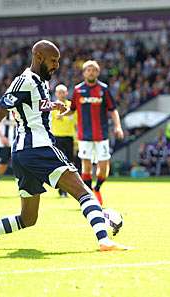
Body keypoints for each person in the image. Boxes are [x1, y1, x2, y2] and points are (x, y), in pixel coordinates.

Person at [0, 40, 127, 252]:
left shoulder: (41, 82)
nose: (56, 65)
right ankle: (104, 240)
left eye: (58, 61)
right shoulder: (24, 80)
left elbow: (30, 104)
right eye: (53, 61)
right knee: (84, 192)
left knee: (27, 218)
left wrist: (50, 105)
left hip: (22, 155)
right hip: (39, 148)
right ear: (38, 57)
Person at [61, 60, 124, 205]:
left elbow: (113, 110)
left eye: (94, 70)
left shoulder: (104, 89)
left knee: (103, 168)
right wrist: (62, 113)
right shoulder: (78, 90)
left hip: (101, 135)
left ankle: (98, 187)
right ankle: (89, 196)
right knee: (86, 166)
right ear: (84, 73)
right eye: (88, 70)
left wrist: (118, 126)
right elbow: (72, 109)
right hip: (84, 136)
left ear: (98, 72)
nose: (91, 72)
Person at [51, 84, 77, 197]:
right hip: (57, 138)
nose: (61, 94)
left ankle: (68, 189)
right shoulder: (52, 106)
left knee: (70, 164)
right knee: (59, 165)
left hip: (69, 138)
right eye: (59, 92)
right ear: (56, 94)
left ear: (67, 93)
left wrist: (77, 140)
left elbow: (77, 123)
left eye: (63, 92)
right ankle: (61, 189)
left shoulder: (72, 106)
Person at [0, 112, 15, 197]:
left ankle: (23, 190)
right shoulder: (3, 109)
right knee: (2, 167)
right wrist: (2, 137)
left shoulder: (19, 107)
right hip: (3, 143)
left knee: (20, 165)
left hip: (17, 143)